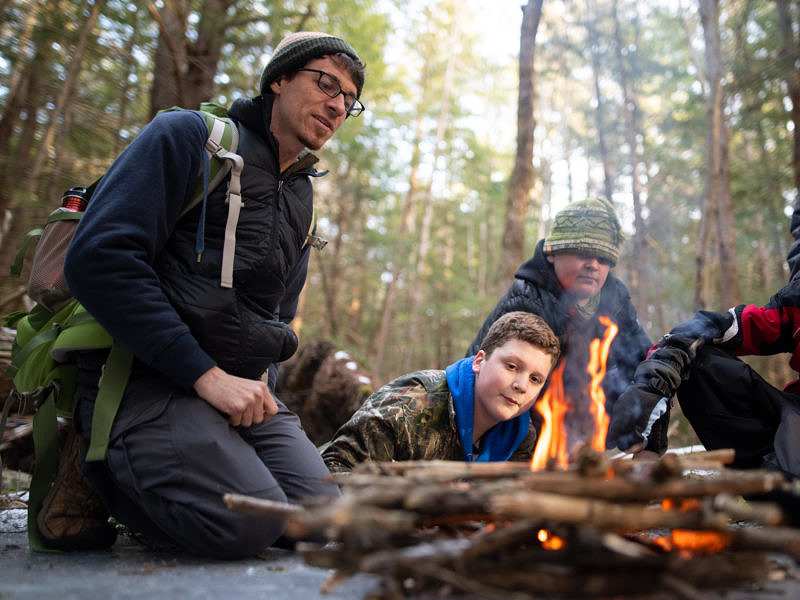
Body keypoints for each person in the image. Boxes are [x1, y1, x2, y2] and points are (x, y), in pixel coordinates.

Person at [41, 32, 366, 559]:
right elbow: (100, 260)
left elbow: (278, 316)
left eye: (350, 100)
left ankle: (205, 468)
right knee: (249, 526)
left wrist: (260, 381)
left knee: (330, 522)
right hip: (145, 380)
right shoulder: (192, 138)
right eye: (326, 82)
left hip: (238, 395)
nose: (337, 104)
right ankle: (90, 468)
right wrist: (206, 377)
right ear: (278, 80)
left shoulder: (301, 197)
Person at [466, 198, 655, 456]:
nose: (593, 265)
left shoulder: (615, 297)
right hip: (514, 424)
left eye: (603, 258)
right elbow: (517, 393)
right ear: (552, 253)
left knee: (664, 368)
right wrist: (559, 449)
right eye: (581, 253)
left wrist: (648, 433)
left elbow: (642, 358)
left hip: (581, 416)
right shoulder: (528, 300)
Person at [322, 311, 561, 472]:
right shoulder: (412, 403)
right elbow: (336, 467)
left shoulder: (522, 436)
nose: (521, 385)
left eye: (535, 379)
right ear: (479, 362)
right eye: (511, 366)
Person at [607, 285, 800, 478]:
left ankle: (784, 490)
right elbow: (710, 328)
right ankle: (770, 485)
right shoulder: (795, 301)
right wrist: (657, 380)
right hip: (792, 429)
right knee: (695, 357)